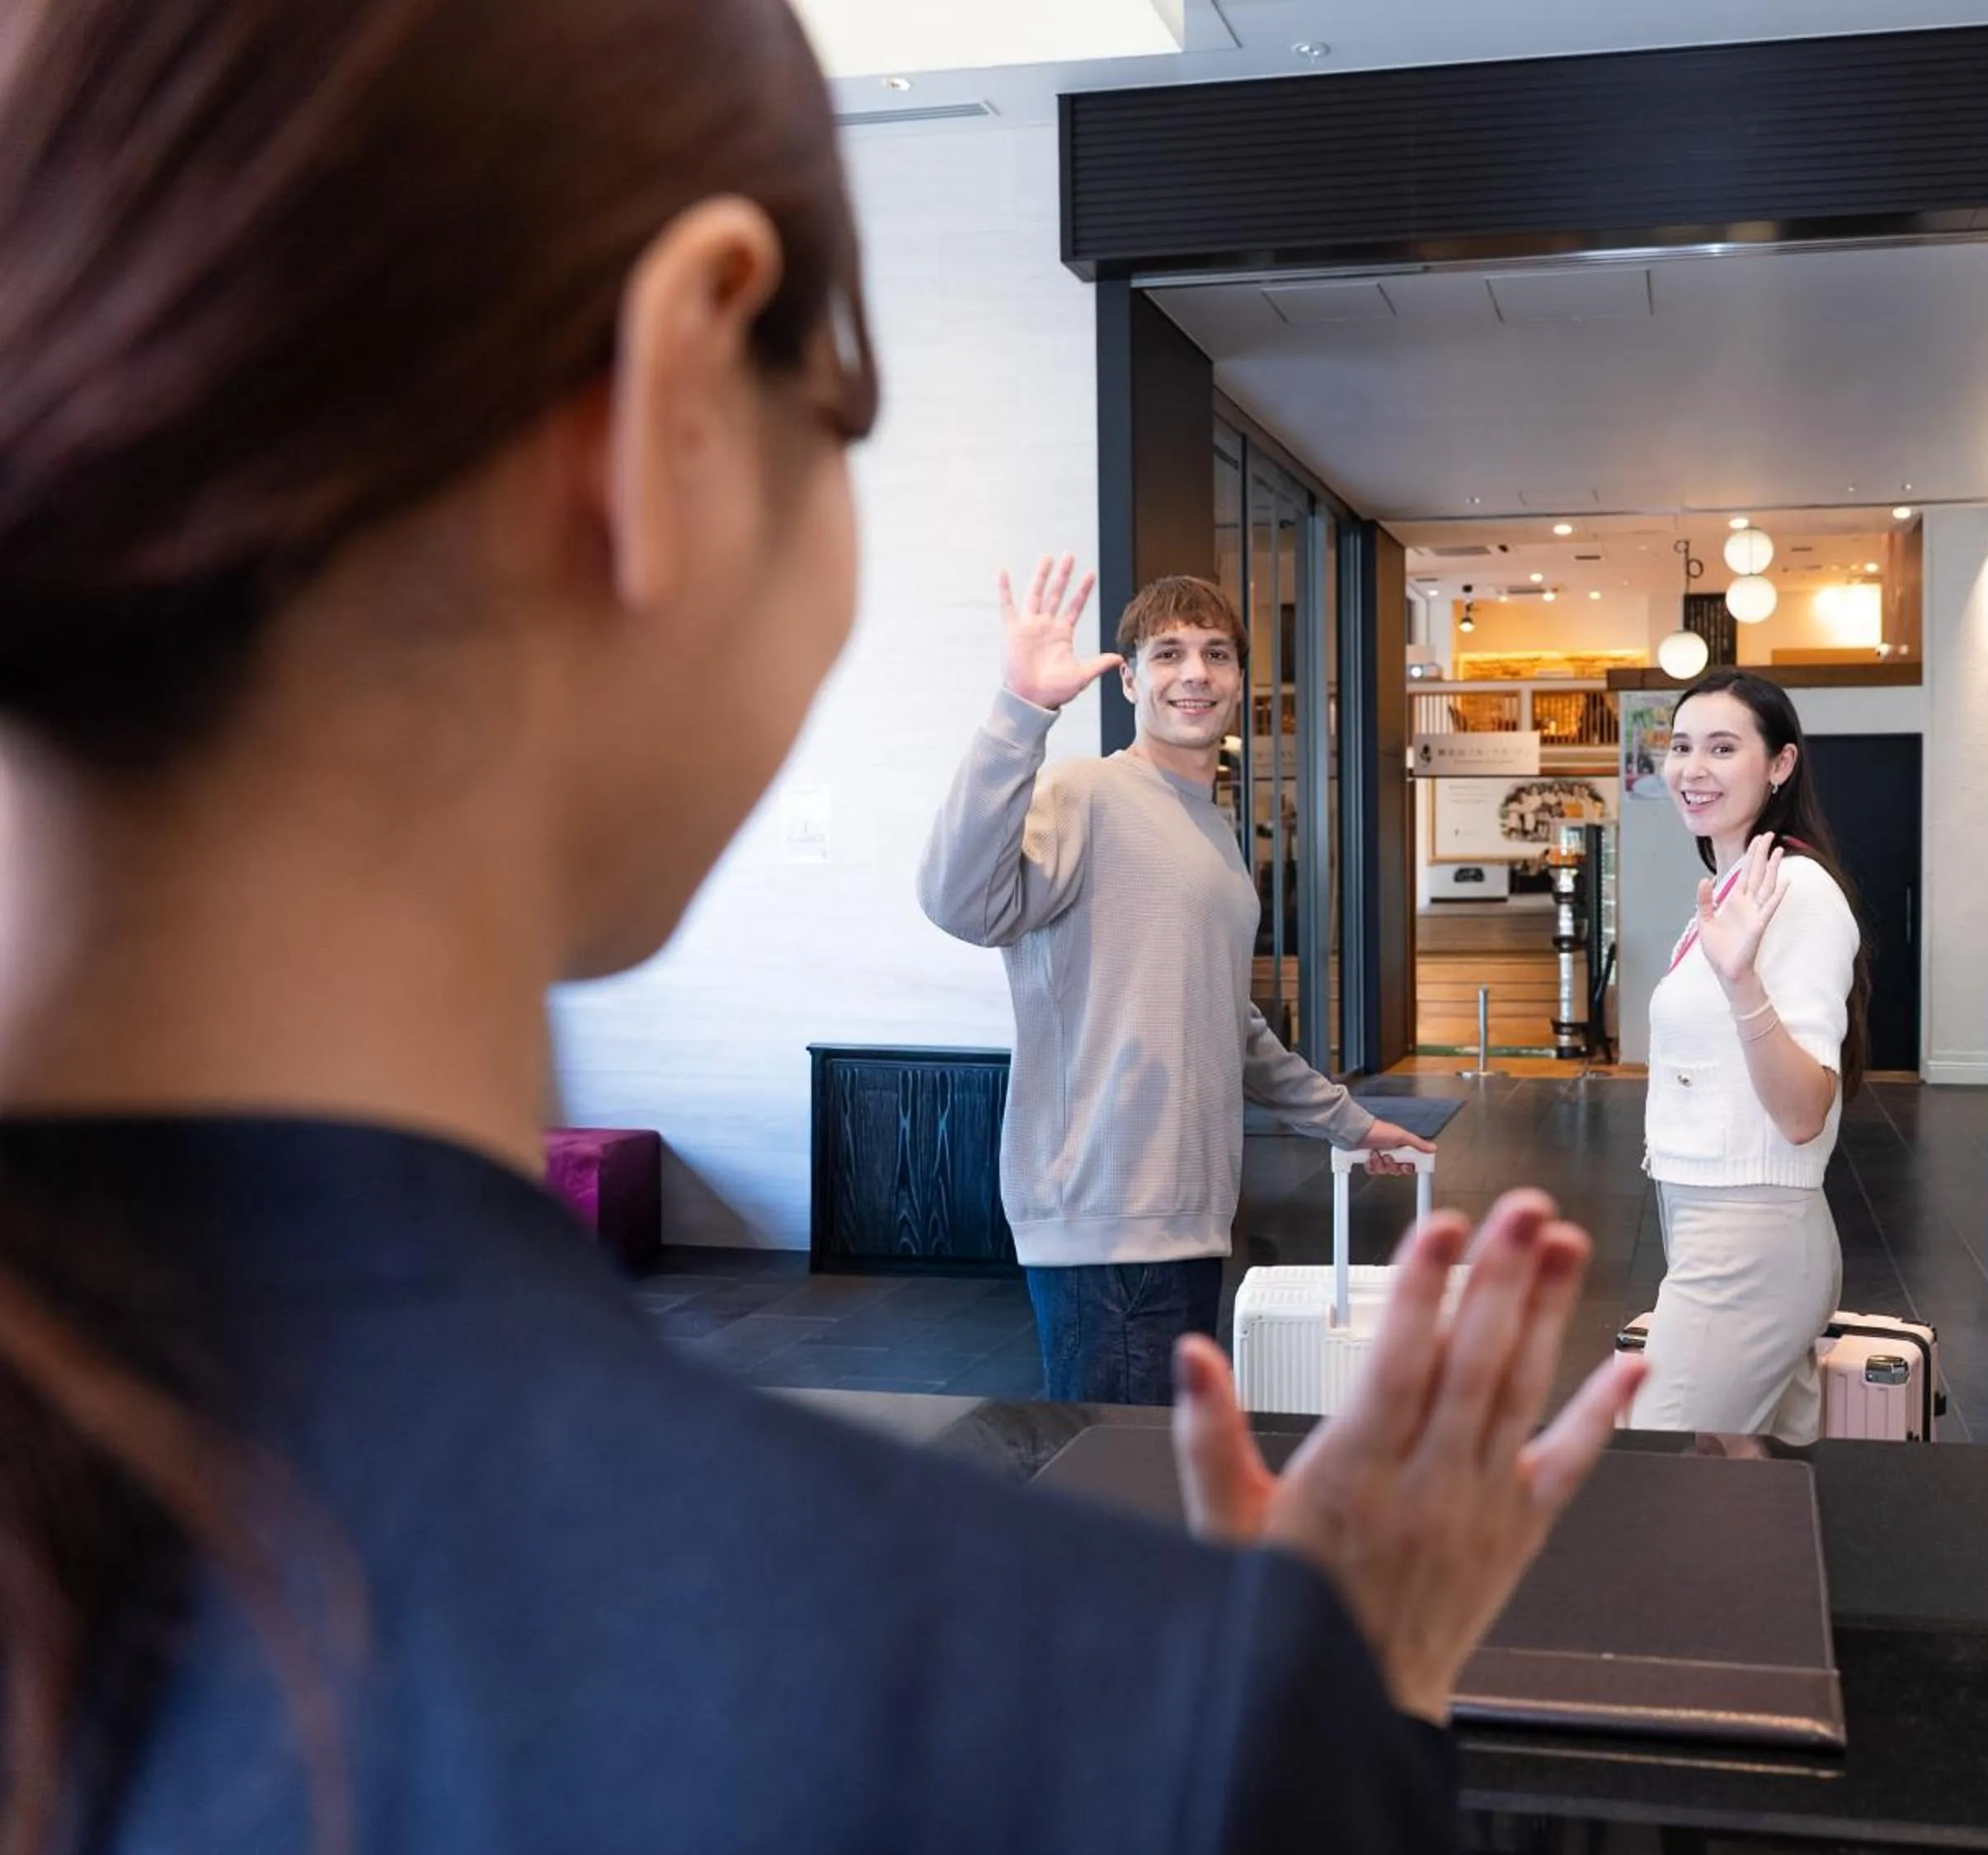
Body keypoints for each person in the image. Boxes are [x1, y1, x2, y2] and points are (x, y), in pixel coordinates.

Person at [0, 3, 1652, 1853]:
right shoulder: (1120, 1722)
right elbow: (964, 893)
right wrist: (1355, 1692)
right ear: (673, 413)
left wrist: (1333, 1113)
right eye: (842, 427)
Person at [919, 566, 1437, 1405]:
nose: (1195, 673)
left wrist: (1347, 1123)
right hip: (1108, 1217)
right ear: (1128, 679)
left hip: (1189, 1213)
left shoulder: (1209, 828)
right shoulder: (1086, 791)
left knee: (1156, 1487)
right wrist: (1022, 711)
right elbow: (960, 903)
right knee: (1122, 1498)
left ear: (1239, 681)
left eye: (1216, 654)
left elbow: (1227, 1023)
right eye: (1168, 654)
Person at [1631, 669, 1869, 1445]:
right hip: (1714, 1219)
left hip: (1751, 1233)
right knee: (1730, 1461)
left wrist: (1741, 984)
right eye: (1682, 746)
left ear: (1780, 765)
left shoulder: (1796, 892)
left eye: (1723, 748)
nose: (1692, 769)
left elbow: (1804, 1112)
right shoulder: (1736, 887)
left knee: (1661, 1462)